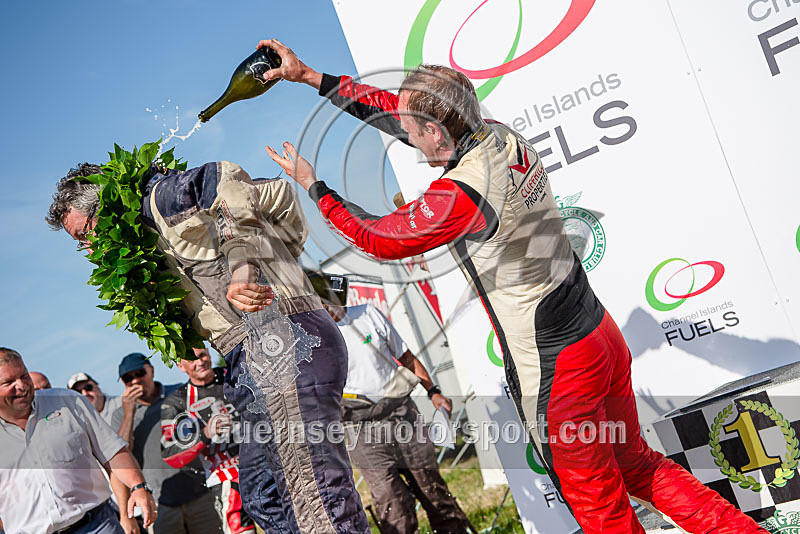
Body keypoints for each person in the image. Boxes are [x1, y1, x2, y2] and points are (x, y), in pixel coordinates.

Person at [260, 39, 768, 534]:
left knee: (599, 506)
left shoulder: (462, 192)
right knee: (637, 466)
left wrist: (316, 188)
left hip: (555, 365)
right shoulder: (496, 135)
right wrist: (310, 77)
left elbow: (378, 237)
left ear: (437, 131)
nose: (407, 138)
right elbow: (396, 111)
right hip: (598, 335)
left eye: (414, 131)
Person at [47, 159, 369, 533]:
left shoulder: (161, 199)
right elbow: (277, 195)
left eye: (85, 235)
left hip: (280, 341)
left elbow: (228, 178)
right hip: (249, 356)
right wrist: (280, 252)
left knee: (314, 496)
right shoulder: (148, 240)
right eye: (79, 245)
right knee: (263, 496)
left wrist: (248, 264)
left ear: (107, 206)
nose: (88, 250)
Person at [328, 299, 472, 534]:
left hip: (401, 412)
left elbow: (406, 356)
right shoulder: (312, 336)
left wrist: (433, 391)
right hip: (358, 426)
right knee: (390, 500)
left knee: (431, 488)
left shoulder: (367, 313)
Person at [0, 347, 155, 534]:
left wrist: (138, 486)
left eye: (24, 376)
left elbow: (113, 451)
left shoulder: (68, 401)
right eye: (9, 382)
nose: (22, 385)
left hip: (97, 525)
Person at [108, 352, 220, 534]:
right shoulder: (119, 415)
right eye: (128, 378)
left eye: (139, 373)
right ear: (123, 383)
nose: (135, 381)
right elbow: (122, 452)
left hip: (201, 493)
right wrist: (129, 413)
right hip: (161, 504)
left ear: (151, 371)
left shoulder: (179, 393)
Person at [161, 346, 256, 534]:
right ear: (181, 366)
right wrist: (204, 433)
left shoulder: (235, 374)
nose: (200, 362)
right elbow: (170, 454)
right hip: (225, 478)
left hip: (263, 463)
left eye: (203, 355)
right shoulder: (176, 402)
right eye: (192, 359)